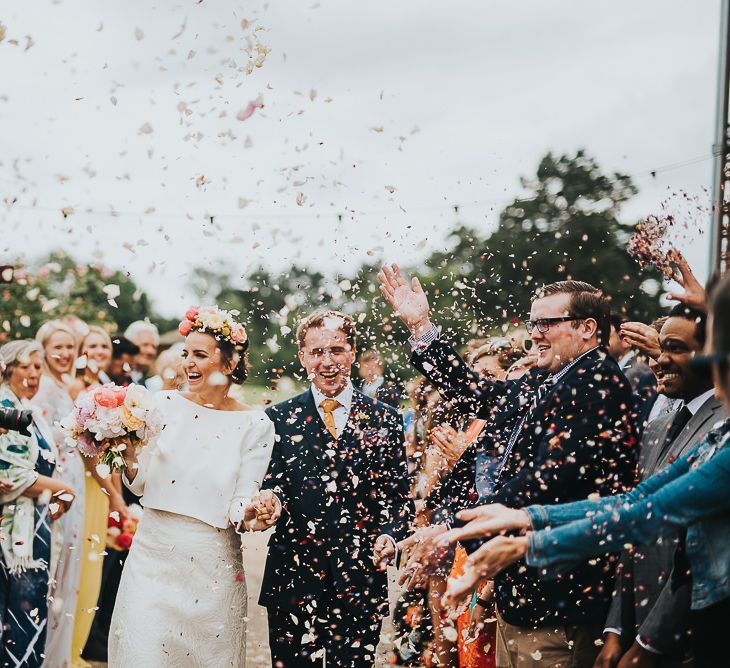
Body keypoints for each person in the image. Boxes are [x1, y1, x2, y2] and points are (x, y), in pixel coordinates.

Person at [441, 274, 730, 668]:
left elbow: (646, 514)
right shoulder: (547, 381)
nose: (660, 360)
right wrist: (526, 517)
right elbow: (638, 499)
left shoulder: (596, 382)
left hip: (686, 623)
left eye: (713, 355)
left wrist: (529, 542)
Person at [378, 265, 637, 668]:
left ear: (587, 327)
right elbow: (474, 391)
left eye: (547, 323)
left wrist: (454, 527)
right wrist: (423, 328)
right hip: (521, 592)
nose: (535, 333)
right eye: (534, 323)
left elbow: (546, 481)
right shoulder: (543, 380)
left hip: (560, 596)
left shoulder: (599, 386)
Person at [108, 306, 275, 666]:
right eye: (186, 354)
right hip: (152, 560)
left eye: (200, 354)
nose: (189, 363)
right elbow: (139, 484)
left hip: (212, 570)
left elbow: (240, 500)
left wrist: (250, 511)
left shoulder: (256, 424)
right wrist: (130, 455)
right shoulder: (161, 405)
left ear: (229, 364)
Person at [260, 309, 413, 667]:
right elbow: (272, 484)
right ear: (302, 357)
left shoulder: (385, 418)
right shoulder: (278, 418)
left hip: (359, 577)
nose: (327, 362)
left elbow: (398, 497)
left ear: (353, 352)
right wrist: (271, 503)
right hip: (294, 576)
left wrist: (390, 536)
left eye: (337, 350)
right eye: (317, 352)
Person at [597, 305, 723, 668]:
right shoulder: (655, 429)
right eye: (658, 350)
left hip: (691, 638)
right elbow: (633, 528)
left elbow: (696, 552)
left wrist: (646, 646)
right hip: (635, 622)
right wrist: (615, 633)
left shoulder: (723, 427)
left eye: (674, 348)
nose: (657, 361)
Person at [0, 340, 76, 668]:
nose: (33, 374)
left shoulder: (32, 412)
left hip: (36, 526)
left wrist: (56, 496)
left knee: (30, 610)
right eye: (25, 367)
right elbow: (12, 473)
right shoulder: (5, 407)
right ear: (7, 369)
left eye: (37, 368)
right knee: (16, 611)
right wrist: (63, 489)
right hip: (13, 533)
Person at [66, 326, 128, 667]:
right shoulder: (80, 389)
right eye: (91, 345)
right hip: (91, 486)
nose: (99, 350)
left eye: (104, 345)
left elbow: (112, 454)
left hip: (106, 484)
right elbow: (91, 458)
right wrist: (116, 499)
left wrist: (117, 495)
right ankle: (73, 647)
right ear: (81, 349)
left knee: (96, 567)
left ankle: (81, 644)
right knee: (84, 565)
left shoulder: (107, 387)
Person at [32, 320, 87, 668]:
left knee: (68, 575)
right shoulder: (43, 388)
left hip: (75, 484)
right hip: (54, 486)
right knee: (52, 571)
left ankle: (58, 658)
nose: (65, 353)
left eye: (70, 347)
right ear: (44, 350)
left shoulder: (70, 387)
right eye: (58, 347)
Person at [608, 314, 657, 430]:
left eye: (607, 337)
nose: (601, 343)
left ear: (626, 341)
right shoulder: (618, 369)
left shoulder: (638, 370)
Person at [122, 321, 159, 385]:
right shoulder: (117, 377)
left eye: (154, 347)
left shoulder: (150, 381)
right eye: (145, 345)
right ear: (130, 345)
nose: (150, 351)